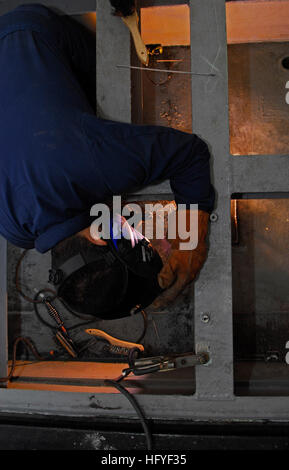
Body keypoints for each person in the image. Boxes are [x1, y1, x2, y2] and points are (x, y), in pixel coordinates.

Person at [0, 3, 215, 316]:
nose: (142, 235)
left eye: (137, 240)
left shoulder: (93, 163)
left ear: (101, 238)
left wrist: (191, 238)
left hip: (26, 31)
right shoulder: (15, 229)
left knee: (100, 76)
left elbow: (189, 153)